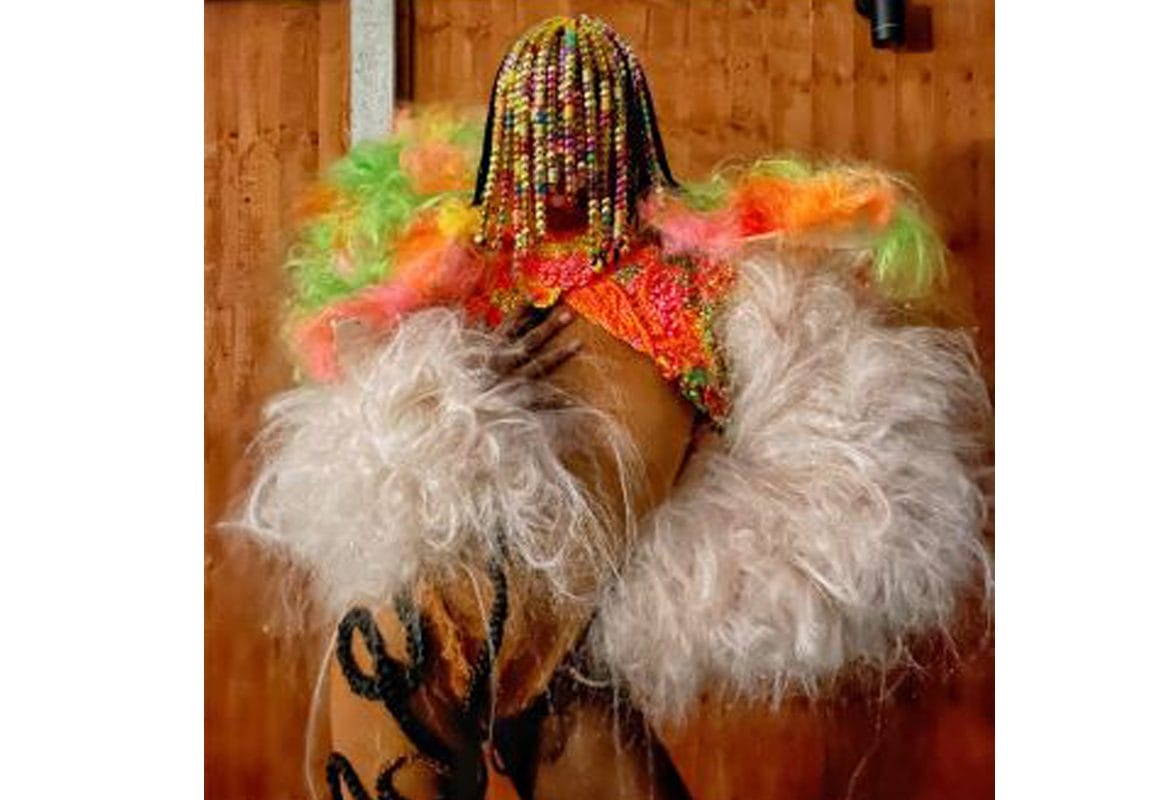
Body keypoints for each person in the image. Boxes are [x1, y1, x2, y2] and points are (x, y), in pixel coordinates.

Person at [236, 14, 990, 799]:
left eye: (583, 116)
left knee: (443, 679)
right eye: (542, 120)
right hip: (480, 606)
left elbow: (784, 413)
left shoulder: (691, 290)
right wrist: (459, 380)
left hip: (532, 595)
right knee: (512, 707)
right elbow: (375, 384)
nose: (562, 145)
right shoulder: (471, 280)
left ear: (622, 131)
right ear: (509, 134)